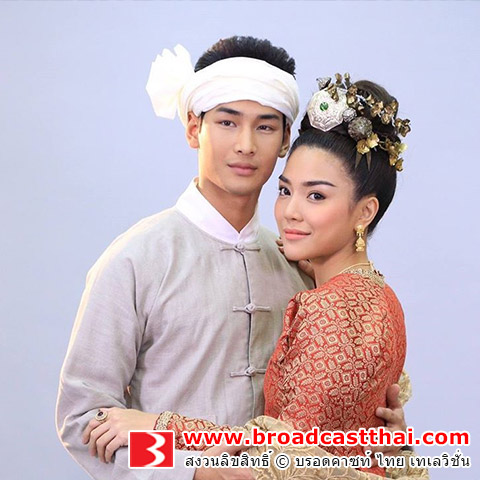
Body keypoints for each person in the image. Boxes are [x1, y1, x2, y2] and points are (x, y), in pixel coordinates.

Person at [56, 38, 407, 480]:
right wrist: (192, 471)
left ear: (285, 140)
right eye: (226, 122)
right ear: (193, 128)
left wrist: (377, 439)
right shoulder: (138, 259)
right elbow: (84, 422)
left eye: (265, 127)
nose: (245, 144)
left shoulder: (301, 267)